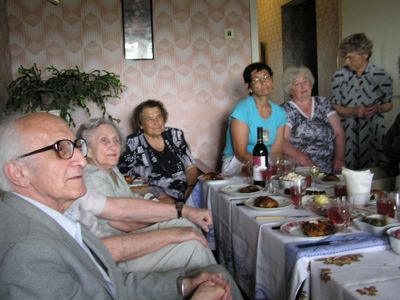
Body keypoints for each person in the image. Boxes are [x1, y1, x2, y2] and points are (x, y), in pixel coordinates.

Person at [0, 112, 243, 300]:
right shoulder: (29, 250)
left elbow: (111, 280)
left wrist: (182, 286)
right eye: (60, 149)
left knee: (215, 275)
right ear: (18, 173)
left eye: (75, 147)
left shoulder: (55, 210)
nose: (81, 161)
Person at [71, 117, 217, 273]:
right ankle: (212, 285)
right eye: (104, 141)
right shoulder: (92, 176)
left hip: (131, 236)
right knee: (193, 244)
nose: (113, 146)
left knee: (189, 226)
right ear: (87, 148)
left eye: (115, 141)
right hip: (121, 252)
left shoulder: (110, 169)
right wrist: (167, 217)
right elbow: (124, 223)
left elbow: (131, 200)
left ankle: (209, 283)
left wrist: (162, 209)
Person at [330, 33, 393, 170]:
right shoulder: (339, 76)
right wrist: (353, 111)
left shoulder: (381, 75)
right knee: (348, 173)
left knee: (374, 172)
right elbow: (334, 106)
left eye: (350, 58)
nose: (346, 62)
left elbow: (389, 104)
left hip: (374, 130)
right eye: (344, 58)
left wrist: (378, 108)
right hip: (347, 131)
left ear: (364, 54)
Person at [118, 100, 199, 203]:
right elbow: (126, 178)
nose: (156, 122)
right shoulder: (132, 143)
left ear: (164, 118)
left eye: (159, 117)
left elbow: (190, 166)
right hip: (156, 196)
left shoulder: (175, 135)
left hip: (186, 191)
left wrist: (191, 187)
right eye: (150, 119)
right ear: (141, 124)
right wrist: (158, 195)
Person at [221, 62, 287, 175]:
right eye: (256, 79)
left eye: (266, 77)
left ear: (272, 81)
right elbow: (240, 153)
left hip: (266, 163)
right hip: (237, 163)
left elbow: (276, 152)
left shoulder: (280, 113)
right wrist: (263, 168)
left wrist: (273, 168)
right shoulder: (242, 109)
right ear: (249, 87)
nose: (263, 82)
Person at [281, 66, 345, 174]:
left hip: (329, 167)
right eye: (296, 84)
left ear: (310, 83)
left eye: (305, 81)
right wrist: (304, 160)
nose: (302, 86)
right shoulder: (286, 109)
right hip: (300, 169)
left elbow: (339, 132)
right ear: (290, 90)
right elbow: (282, 141)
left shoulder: (324, 103)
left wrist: (339, 158)